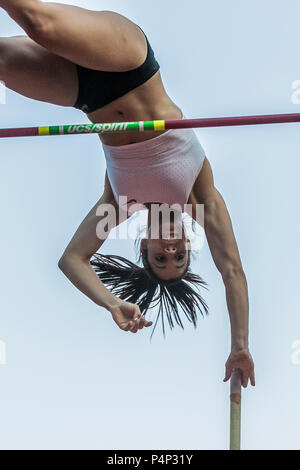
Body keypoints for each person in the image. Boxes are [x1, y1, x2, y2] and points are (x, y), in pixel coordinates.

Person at [0, 1, 255, 387]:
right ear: (188, 240)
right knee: (40, 25)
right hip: (128, 65)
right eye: (180, 256)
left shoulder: (118, 204)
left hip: (86, 95)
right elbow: (232, 271)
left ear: (145, 245)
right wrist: (240, 346)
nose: (170, 250)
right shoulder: (198, 197)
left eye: (160, 257)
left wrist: (112, 303)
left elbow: (72, 259)